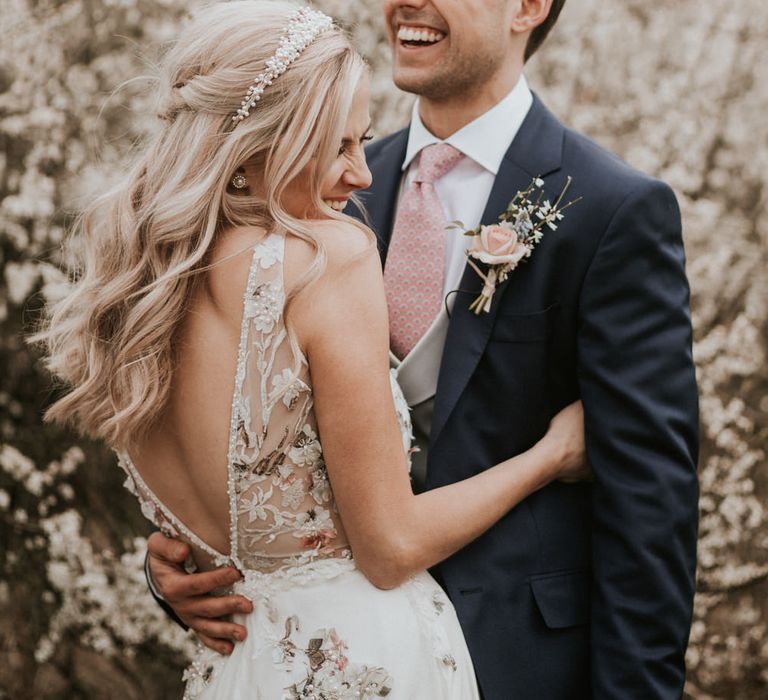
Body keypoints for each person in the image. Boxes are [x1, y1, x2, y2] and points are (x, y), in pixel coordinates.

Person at [36, 1, 591, 697]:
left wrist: (163, 571)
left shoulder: (132, 292)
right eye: (338, 145)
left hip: (238, 670)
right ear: (260, 143)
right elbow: (390, 550)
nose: (361, 175)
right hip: (363, 660)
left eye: (362, 142)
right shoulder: (326, 258)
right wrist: (550, 457)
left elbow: (218, 540)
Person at [149, 0, 701, 698]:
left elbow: (650, 504)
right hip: (332, 660)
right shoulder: (311, 183)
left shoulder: (613, 208)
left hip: (527, 664)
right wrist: (184, 567)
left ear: (529, 7)